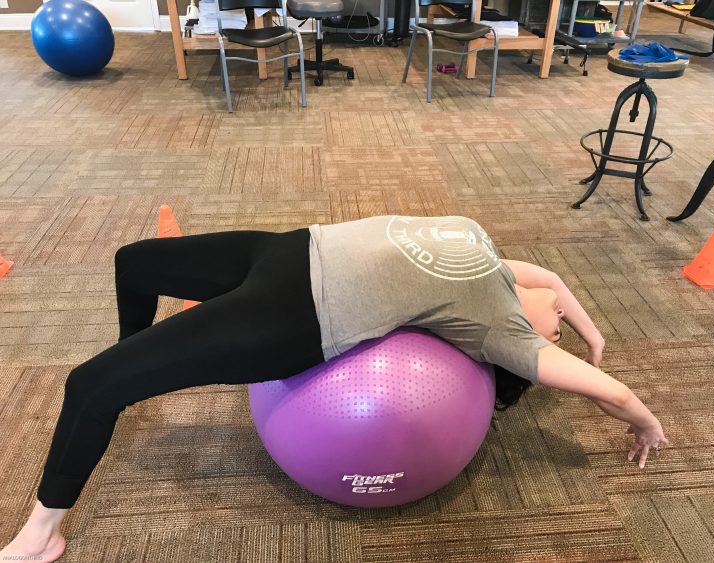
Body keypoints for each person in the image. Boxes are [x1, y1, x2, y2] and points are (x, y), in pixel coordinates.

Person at [0, 215, 668, 562]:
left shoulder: (505, 331)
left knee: (89, 385)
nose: (560, 322)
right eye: (563, 323)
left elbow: (606, 391)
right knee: (134, 262)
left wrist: (645, 420)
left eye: (558, 334)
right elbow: (550, 274)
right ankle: (136, 359)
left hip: (296, 316)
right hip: (288, 249)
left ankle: (38, 539)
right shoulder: (486, 251)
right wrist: (593, 327)